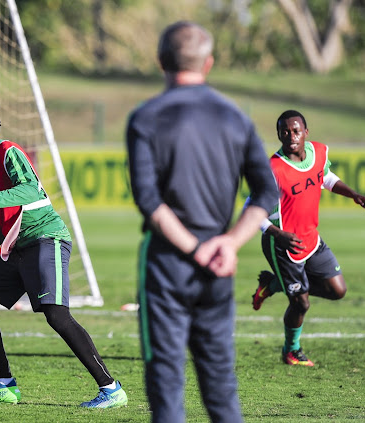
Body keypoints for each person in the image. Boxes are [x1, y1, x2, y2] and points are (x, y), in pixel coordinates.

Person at [125, 21, 279, 423]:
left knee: (166, 384)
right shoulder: (236, 118)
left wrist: (193, 248)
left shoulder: (144, 118)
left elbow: (148, 201)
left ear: (160, 61)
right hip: (218, 267)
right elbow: (266, 194)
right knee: (220, 386)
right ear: (208, 63)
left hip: (166, 264)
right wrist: (227, 244)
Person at [0, 98, 127, 408]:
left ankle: (111, 389)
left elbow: (30, 190)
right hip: (18, 248)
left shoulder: (8, 152)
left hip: (46, 239)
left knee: (56, 314)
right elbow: (1, 227)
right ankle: (4, 385)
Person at [250, 110, 365, 366]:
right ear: (278, 135)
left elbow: (326, 178)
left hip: (311, 239)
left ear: (306, 132)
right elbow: (250, 208)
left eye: (296, 131)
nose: (291, 136)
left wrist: (354, 194)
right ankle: (291, 350)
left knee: (337, 290)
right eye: (284, 132)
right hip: (282, 245)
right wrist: (277, 234)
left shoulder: (318, 153)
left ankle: (274, 285)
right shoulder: (273, 169)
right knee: (301, 304)